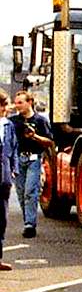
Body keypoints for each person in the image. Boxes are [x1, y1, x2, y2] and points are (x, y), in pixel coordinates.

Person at [10, 91, 53, 238]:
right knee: (21, 193)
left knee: (30, 191)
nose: (17, 106)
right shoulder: (13, 121)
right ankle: (27, 220)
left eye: (20, 102)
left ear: (30, 102)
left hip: (34, 159)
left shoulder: (40, 121)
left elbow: (49, 142)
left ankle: (30, 224)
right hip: (18, 160)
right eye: (16, 102)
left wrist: (34, 136)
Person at [0, 91, 18, 270]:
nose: (4, 109)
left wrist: (14, 169)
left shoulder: (8, 126)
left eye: (5, 105)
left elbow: (13, 148)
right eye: (1, 106)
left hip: (3, 178)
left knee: (1, 219)